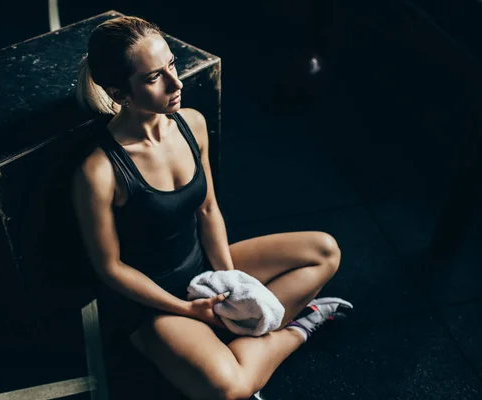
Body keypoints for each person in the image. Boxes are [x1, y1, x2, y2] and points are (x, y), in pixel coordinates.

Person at [72, 15, 353, 400]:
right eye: (154, 77)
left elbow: (208, 211)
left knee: (324, 251)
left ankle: (234, 341)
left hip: (201, 270)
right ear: (121, 94)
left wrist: (230, 284)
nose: (176, 82)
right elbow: (110, 268)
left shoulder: (192, 123)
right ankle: (301, 327)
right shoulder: (99, 171)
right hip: (153, 304)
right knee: (228, 389)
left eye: (171, 64)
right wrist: (188, 310)